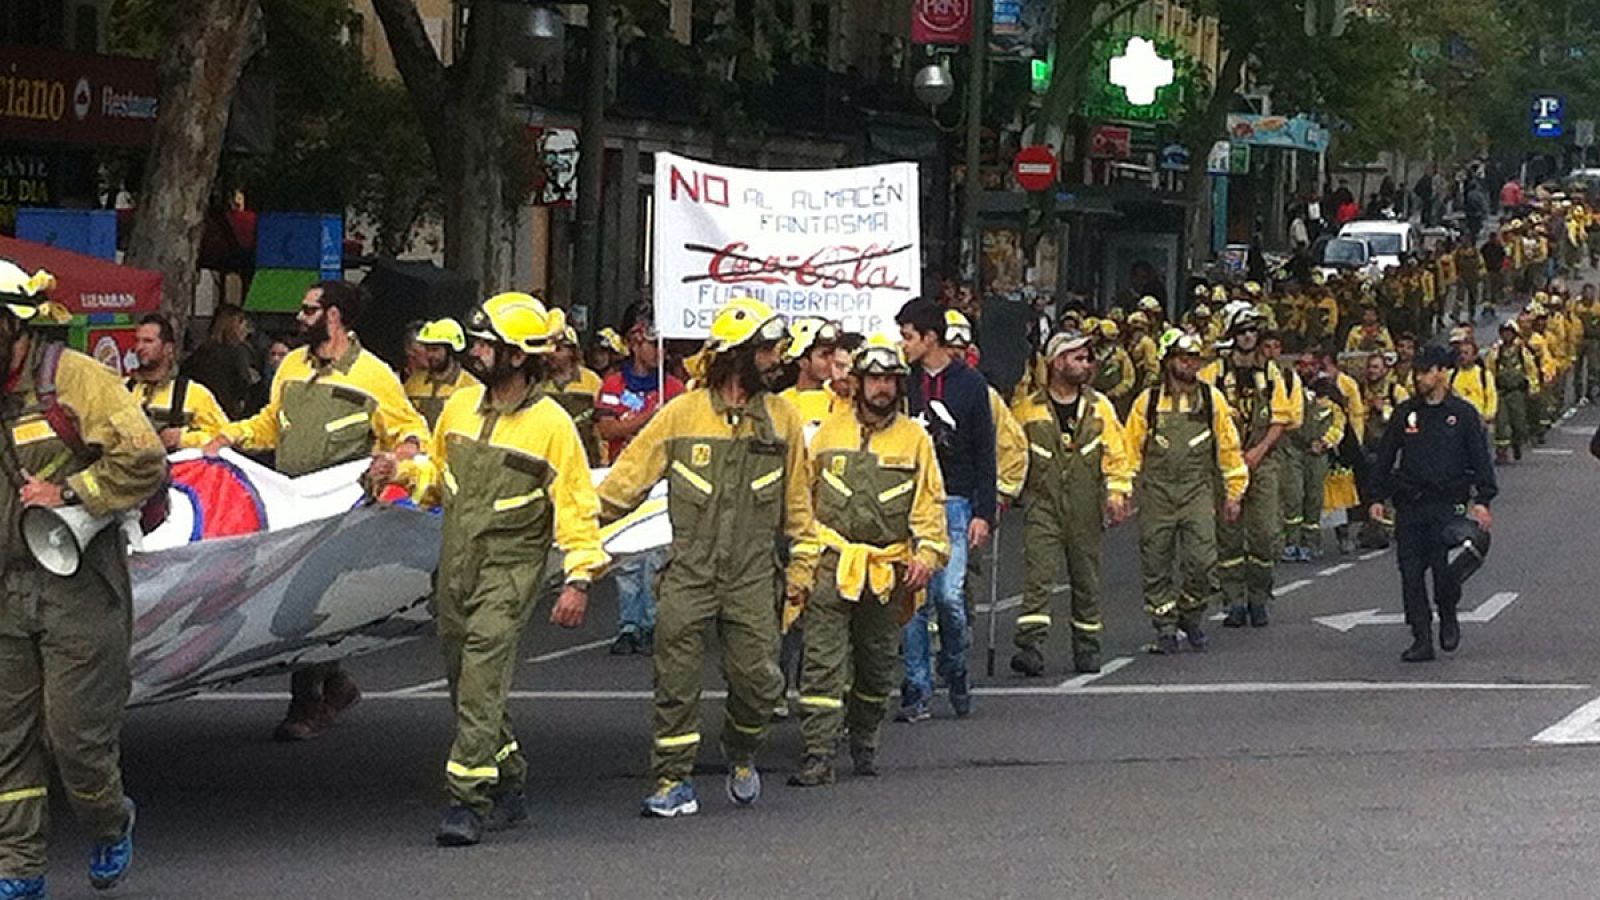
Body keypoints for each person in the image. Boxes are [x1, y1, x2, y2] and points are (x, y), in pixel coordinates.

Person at [369, 293, 608, 846]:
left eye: (486, 345)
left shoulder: (551, 426)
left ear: (519, 356)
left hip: (509, 571)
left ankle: (467, 802)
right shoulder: (458, 409)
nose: (475, 353)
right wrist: (400, 473)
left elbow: (575, 506)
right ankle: (510, 779)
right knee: (466, 687)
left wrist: (578, 579)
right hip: (455, 568)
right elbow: (437, 477)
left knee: (479, 681)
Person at [597, 298, 817, 818]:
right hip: (689, 574)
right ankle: (672, 780)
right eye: (765, 350)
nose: (775, 359)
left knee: (760, 682)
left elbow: (801, 511)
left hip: (753, 576)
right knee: (675, 683)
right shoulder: (681, 415)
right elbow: (624, 484)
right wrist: (572, 524)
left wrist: (803, 573)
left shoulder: (783, 419)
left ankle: (740, 751)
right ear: (735, 356)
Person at [0, 261, 167, 897]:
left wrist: (71, 490)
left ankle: (109, 820)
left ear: (12, 325)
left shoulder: (76, 379)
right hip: (6, 590)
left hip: (79, 587)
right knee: (7, 743)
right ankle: (18, 869)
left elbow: (143, 458)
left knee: (75, 741)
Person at [205, 280, 429, 741]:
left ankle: (306, 703)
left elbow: (411, 430)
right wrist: (231, 437)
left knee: (307, 601)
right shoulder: (290, 365)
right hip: (294, 502)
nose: (299, 318)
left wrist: (399, 458)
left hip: (343, 509)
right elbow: (271, 422)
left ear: (333, 317)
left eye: (308, 310)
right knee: (308, 601)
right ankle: (336, 684)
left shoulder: (373, 373)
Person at [788, 336, 947, 787]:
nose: (882, 388)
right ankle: (817, 754)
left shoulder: (915, 440)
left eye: (890, 380)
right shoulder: (827, 433)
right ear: (856, 383)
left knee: (877, 664)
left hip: (886, 571)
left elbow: (929, 504)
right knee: (820, 662)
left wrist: (927, 554)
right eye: (874, 379)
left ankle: (865, 742)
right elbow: (802, 496)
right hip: (830, 564)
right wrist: (800, 557)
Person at [894, 298, 995, 721]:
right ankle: (916, 687)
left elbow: (985, 450)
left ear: (929, 337)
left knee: (949, 597)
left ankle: (954, 666)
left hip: (955, 500)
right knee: (914, 601)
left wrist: (983, 512)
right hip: (912, 500)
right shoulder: (902, 384)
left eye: (908, 336)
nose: (903, 345)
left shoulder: (970, 384)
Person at [1009, 330, 1132, 676]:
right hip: (1042, 505)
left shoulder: (1099, 407)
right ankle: (1030, 646)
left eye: (1087, 357)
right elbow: (1010, 456)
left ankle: (1087, 647)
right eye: (1077, 357)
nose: (1085, 364)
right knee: (1038, 576)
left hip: (1085, 506)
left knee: (1086, 578)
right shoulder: (1027, 410)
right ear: (1057, 361)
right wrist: (1003, 493)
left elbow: (1117, 454)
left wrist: (1117, 493)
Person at [1367, 343, 1497, 662]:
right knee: (1410, 574)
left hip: (1447, 505)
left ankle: (1448, 614)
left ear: (1442, 373)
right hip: (1411, 504)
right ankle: (1421, 637)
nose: (1419, 378)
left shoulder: (1462, 414)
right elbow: (1385, 457)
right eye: (1417, 372)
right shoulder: (1406, 413)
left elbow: (1481, 462)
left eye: (1425, 372)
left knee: (1443, 572)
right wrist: (1376, 497)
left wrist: (1482, 500)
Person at [1123, 329, 1247, 654]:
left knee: (1204, 562)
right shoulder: (1147, 402)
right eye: (1184, 358)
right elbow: (1129, 449)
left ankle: (1190, 614)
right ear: (1168, 362)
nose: (1192, 365)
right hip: (1157, 495)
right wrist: (1122, 490)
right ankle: (1164, 626)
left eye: (1195, 359)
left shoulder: (1211, 400)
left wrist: (1234, 492)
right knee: (1156, 563)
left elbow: (1230, 449)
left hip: (1197, 492)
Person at [1200, 303, 1299, 628]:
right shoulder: (1214, 372)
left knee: (1265, 533)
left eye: (1253, 331)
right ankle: (1234, 601)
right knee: (1228, 535)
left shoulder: (1271, 372)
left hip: (1263, 461)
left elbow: (1281, 418)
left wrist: (1258, 451)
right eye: (1242, 331)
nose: (1248, 337)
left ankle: (1259, 596)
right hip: (1225, 464)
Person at [595, 319, 684, 655]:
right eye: (651, 344)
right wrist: (649, 419)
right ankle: (628, 624)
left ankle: (652, 622)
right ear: (634, 345)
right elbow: (607, 429)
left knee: (658, 554)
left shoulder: (675, 387)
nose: (658, 351)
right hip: (625, 473)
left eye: (662, 345)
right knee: (629, 556)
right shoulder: (614, 384)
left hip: (663, 478)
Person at [126, 314, 230, 451]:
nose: (139, 347)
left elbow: (226, 437)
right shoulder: (122, 389)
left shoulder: (194, 394)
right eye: (137, 341)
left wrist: (183, 439)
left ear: (168, 348)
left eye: (148, 341)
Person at [1280, 368, 1345, 562]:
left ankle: (1311, 543)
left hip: (1317, 457)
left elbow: (1338, 428)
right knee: (1293, 497)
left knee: (1313, 499)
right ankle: (1291, 543)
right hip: (1294, 451)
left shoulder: (1334, 408)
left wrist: (1325, 442)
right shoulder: (1301, 400)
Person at [539, 327, 604, 466]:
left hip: (585, 456)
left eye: (558, 349)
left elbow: (601, 424)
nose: (550, 354)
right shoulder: (537, 381)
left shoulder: (591, 381)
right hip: (547, 454)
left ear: (572, 352)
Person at [181, 304, 257, 419]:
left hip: (201, 409)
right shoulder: (238, 352)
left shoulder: (200, 352)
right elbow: (243, 383)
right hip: (227, 411)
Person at [403, 318, 480, 430]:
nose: (430, 355)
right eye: (428, 349)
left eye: (435, 349)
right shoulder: (413, 383)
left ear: (449, 350)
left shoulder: (470, 386)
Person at [778, 317, 842, 434]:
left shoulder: (841, 402)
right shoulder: (781, 403)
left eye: (833, 354)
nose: (832, 360)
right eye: (824, 355)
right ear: (802, 362)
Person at [1490, 320, 1540, 462]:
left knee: (1519, 423)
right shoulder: (1495, 352)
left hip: (1517, 393)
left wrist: (1533, 387)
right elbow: (1490, 371)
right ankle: (1501, 452)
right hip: (1501, 392)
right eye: (1504, 332)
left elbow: (1531, 370)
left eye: (1509, 332)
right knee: (1501, 423)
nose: (1506, 335)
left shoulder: (1522, 351)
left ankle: (1516, 442)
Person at [1448, 327, 1497, 425]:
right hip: (1457, 421)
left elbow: (1491, 396)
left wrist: (1488, 415)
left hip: (1479, 420)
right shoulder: (1451, 375)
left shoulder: (1484, 375)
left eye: (1466, 353)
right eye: (1460, 353)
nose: (1462, 356)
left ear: (1474, 356)